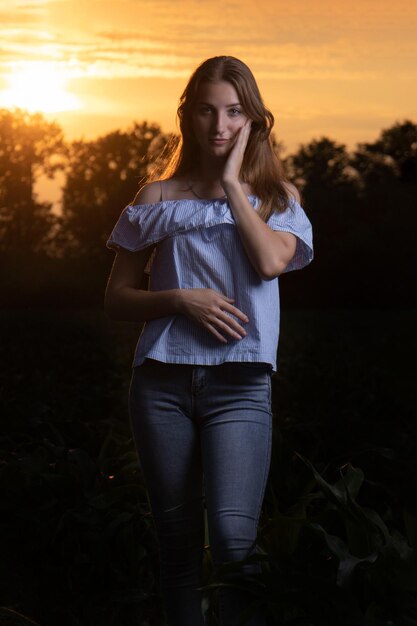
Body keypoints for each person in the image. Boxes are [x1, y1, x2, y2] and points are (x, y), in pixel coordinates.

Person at [105, 55, 313, 626]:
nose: (219, 126)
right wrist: (178, 299)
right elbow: (116, 298)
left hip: (240, 388)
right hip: (162, 385)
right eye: (206, 110)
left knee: (231, 546)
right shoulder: (156, 198)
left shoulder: (278, 199)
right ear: (187, 117)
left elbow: (270, 262)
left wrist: (231, 186)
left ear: (254, 121)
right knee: (176, 549)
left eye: (233, 112)